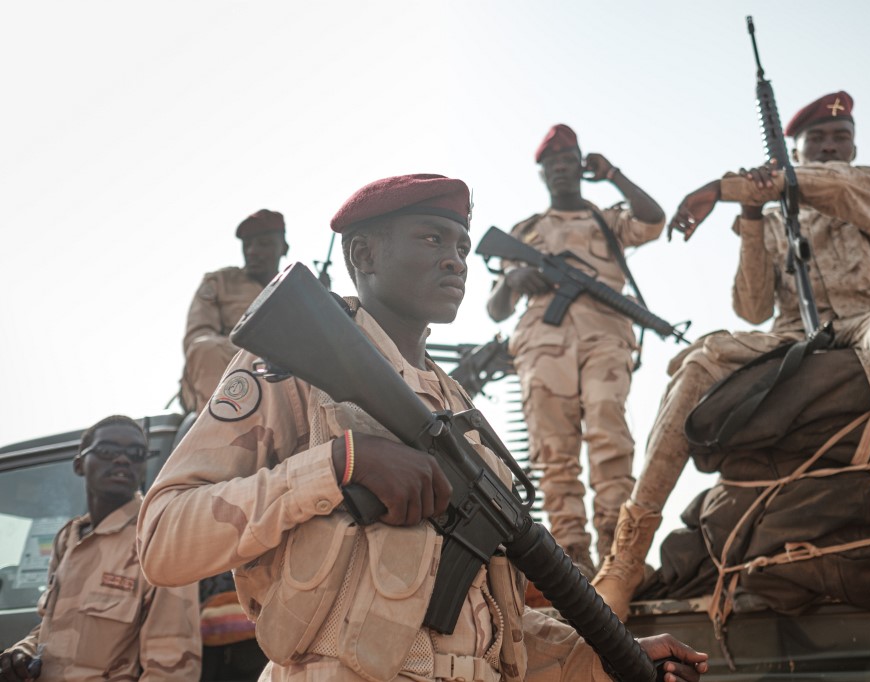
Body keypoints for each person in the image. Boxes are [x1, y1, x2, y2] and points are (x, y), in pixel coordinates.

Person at [136, 173, 708, 682]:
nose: (456, 259)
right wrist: (335, 468)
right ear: (363, 253)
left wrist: (610, 655)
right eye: (432, 239)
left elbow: (490, 627)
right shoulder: (295, 368)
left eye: (461, 245)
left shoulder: (461, 410)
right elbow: (163, 539)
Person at [593, 91, 870, 618]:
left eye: (839, 137)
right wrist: (753, 215)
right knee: (701, 356)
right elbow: (752, 306)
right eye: (816, 140)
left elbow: (831, 187)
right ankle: (626, 556)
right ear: (794, 151)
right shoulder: (778, 222)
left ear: (852, 146)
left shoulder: (867, 187)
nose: (829, 147)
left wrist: (725, 188)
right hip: (791, 338)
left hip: (866, 322)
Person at [486, 124, 666, 577]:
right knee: (553, 448)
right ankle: (571, 555)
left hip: (605, 335)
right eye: (553, 165)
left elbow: (653, 220)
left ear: (581, 167)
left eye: (570, 162)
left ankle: (617, 548)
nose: (562, 171)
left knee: (609, 429)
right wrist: (511, 281)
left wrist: (615, 175)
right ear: (543, 174)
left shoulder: (607, 220)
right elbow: (494, 309)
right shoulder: (525, 232)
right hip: (542, 346)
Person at [0, 416, 201, 681]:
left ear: (144, 467)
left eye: (136, 453)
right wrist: (22, 650)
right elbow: (53, 626)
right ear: (79, 464)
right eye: (107, 451)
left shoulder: (157, 540)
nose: (122, 460)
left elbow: (172, 668)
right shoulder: (68, 537)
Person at [180, 209, 288, 413]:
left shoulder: (295, 289)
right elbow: (197, 337)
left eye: (264, 244)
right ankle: (215, 422)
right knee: (205, 348)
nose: (253, 251)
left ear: (283, 248)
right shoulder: (219, 282)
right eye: (247, 245)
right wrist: (249, 356)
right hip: (225, 372)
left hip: (283, 375)